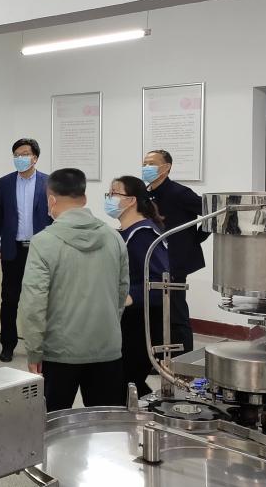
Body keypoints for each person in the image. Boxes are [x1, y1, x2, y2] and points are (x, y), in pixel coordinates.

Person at [18, 168, 129, 412]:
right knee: (106, 425)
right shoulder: (113, 238)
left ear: (51, 200)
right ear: (85, 198)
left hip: (59, 352)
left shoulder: (43, 242)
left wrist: (34, 350)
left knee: (53, 424)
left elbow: (33, 303)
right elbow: (121, 292)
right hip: (107, 348)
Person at [0, 138, 53, 362]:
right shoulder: (4, 183)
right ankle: (7, 345)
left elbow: (55, 217)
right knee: (9, 300)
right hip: (12, 249)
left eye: (25, 154)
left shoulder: (49, 182)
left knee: (41, 300)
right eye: (16, 154)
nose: (20, 158)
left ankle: (42, 345)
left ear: (35, 157)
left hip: (40, 250)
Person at [106, 176, 170, 398]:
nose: (109, 198)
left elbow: (160, 283)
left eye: (114, 193)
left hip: (139, 323)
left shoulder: (143, 234)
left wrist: (128, 297)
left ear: (131, 200)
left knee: (125, 382)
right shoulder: (122, 232)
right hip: (123, 321)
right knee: (122, 383)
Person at [142, 150, 209, 353]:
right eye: (144, 163)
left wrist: (193, 241)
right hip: (153, 261)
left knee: (175, 312)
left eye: (151, 163)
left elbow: (212, 214)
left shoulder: (180, 193)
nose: (146, 167)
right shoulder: (145, 194)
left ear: (166, 167)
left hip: (175, 263)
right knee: (155, 311)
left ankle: (183, 357)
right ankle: (159, 355)